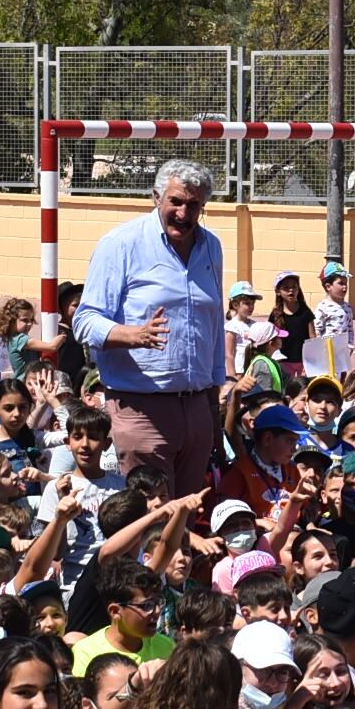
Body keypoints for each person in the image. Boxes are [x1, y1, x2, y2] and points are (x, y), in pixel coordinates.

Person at [72, 160, 227, 499]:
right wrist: (132, 335)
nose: (183, 213)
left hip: (198, 409)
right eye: (176, 201)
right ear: (157, 197)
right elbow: (84, 321)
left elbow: (215, 325)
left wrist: (212, 414)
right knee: (150, 520)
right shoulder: (120, 244)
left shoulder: (211, 247)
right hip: (141, 410)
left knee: (185, 518)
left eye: (193, 205)